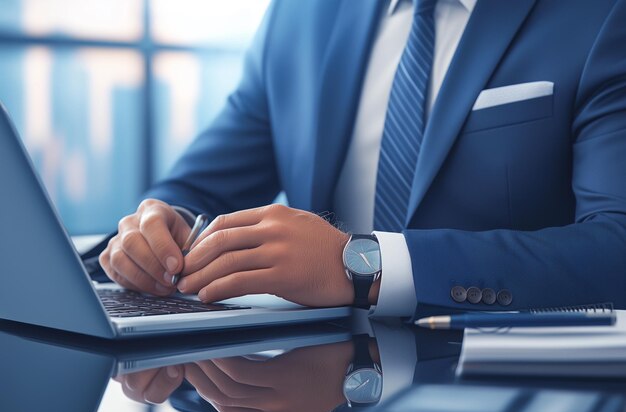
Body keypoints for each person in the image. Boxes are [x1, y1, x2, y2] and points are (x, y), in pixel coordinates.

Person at [98, 0, 626, 318]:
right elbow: (194, 192)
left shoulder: (602, 15)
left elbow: (615, 246)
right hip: (312, 391)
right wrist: (161, 228)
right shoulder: (301, 18)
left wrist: (359, 265)